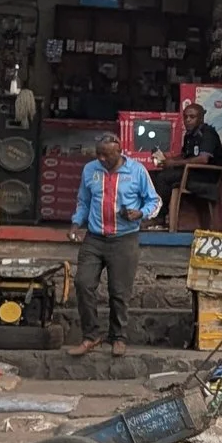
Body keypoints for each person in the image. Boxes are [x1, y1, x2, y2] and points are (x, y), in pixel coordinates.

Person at [67, 136, 159, 356]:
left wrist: (141, 213)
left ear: (119, 151)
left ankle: (118, 337)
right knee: (83, 283)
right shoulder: (90, 170)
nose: (101, 158)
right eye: (98, 153)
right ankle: (91, 336)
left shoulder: (137, 171)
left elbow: (154, 201)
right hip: (94, 238)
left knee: (119, 292)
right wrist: (75, 224)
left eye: (106, 154)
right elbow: (84, 201)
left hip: (124, 239)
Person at [163, 101, 222, 217]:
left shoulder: (207, 134)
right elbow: (185, 155)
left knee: (164, 178)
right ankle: (164, 215)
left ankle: (161, 217)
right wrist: (170, 160)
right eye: (185, 117)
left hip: (206, 176)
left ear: (201, 118)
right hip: (193, 171)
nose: (188, 120)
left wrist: (175, 164)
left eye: (192, 117)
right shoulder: (189, 135)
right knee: (162, 173)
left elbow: (203, 159)